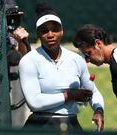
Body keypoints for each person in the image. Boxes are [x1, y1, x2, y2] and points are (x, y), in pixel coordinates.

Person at [18, 3, 104, 132]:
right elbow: (34, 102)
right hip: (41, 126)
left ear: (62, 31)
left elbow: (93, 92)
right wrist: (69, 95)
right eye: (44, 30)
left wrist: (98, 110)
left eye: (55, 29)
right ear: (38, 34)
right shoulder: (29, 61)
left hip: (71, 124)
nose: (50, 34)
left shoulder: (76, 59)